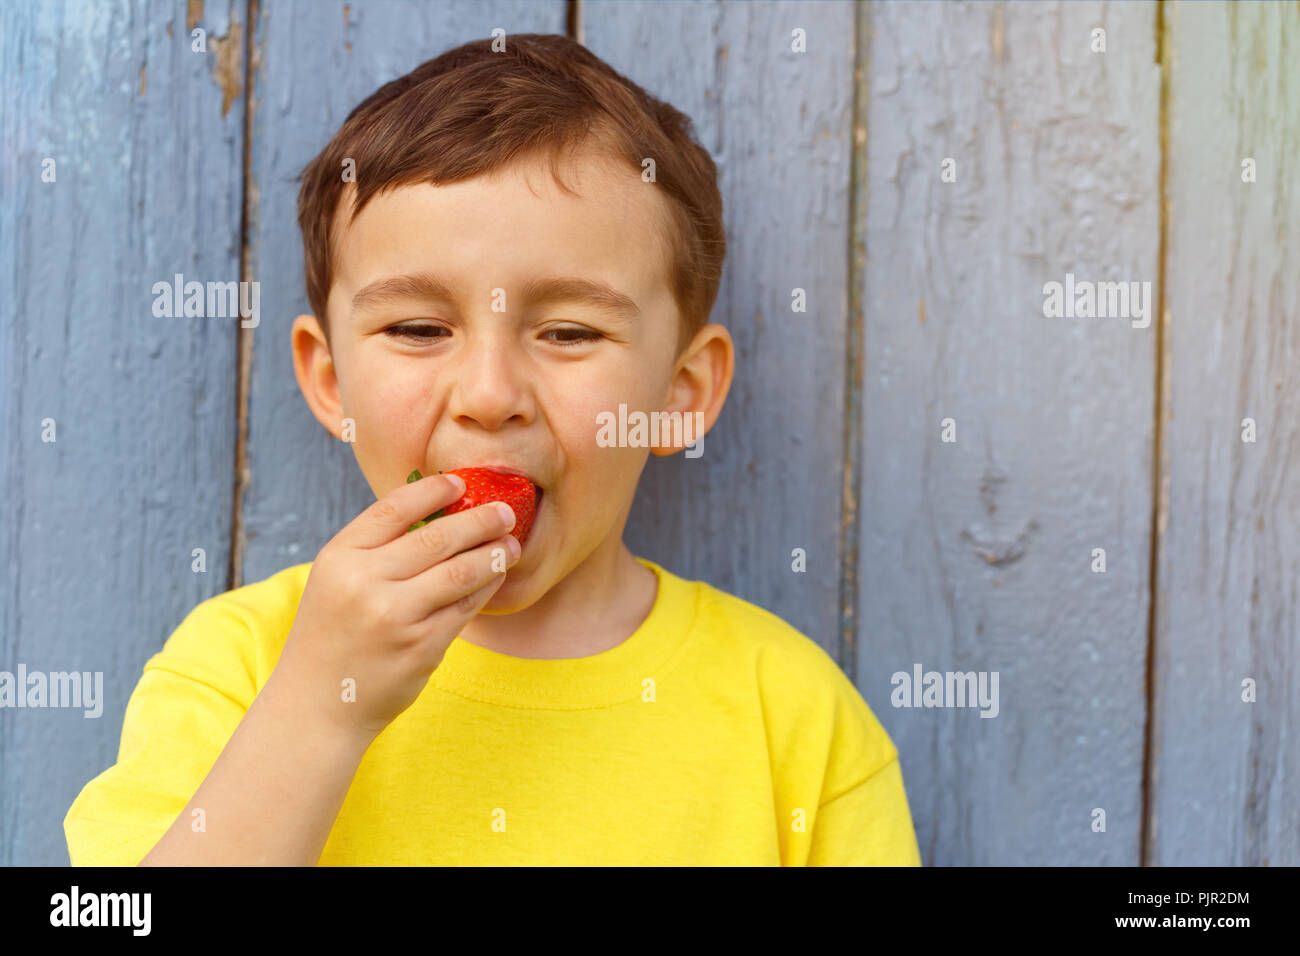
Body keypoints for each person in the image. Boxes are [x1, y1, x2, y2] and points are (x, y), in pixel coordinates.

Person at [64, 33, 921, 866]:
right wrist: (322, 709)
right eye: (418, 327)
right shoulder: (243, 669)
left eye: (569, 331)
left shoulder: (795, 720)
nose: (488, 395)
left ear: (678, 396)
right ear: (331, 383)